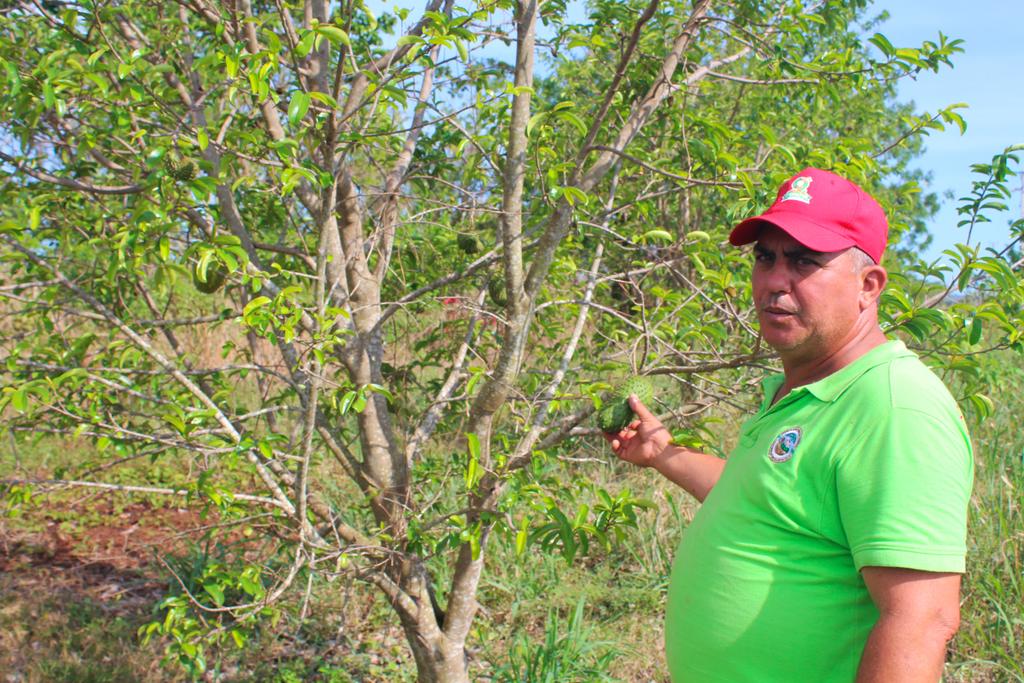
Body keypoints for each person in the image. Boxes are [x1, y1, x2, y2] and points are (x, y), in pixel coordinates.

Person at [606, 167, 973, 683]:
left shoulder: (893, 407)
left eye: (805, 261)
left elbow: (921, 618)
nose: (776, 280)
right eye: (766, 257)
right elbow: (764, 501)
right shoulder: (799, 390)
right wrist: (664, 452)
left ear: (868, 285)